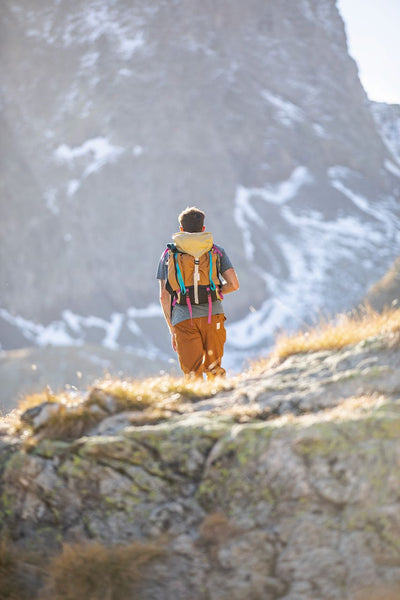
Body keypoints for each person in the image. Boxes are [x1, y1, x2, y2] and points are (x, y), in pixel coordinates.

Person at [157, 206, 239, 378]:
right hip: (213, 315)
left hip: (184, 320)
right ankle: (221, 403)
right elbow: (233, 284)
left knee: (192, 373)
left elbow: (164, 295)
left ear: (181, 229)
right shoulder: (216, 250)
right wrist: (216, 292)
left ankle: (197, 404)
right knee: (215, 369)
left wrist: (172, 329)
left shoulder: (169, 254)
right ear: (203, 229)